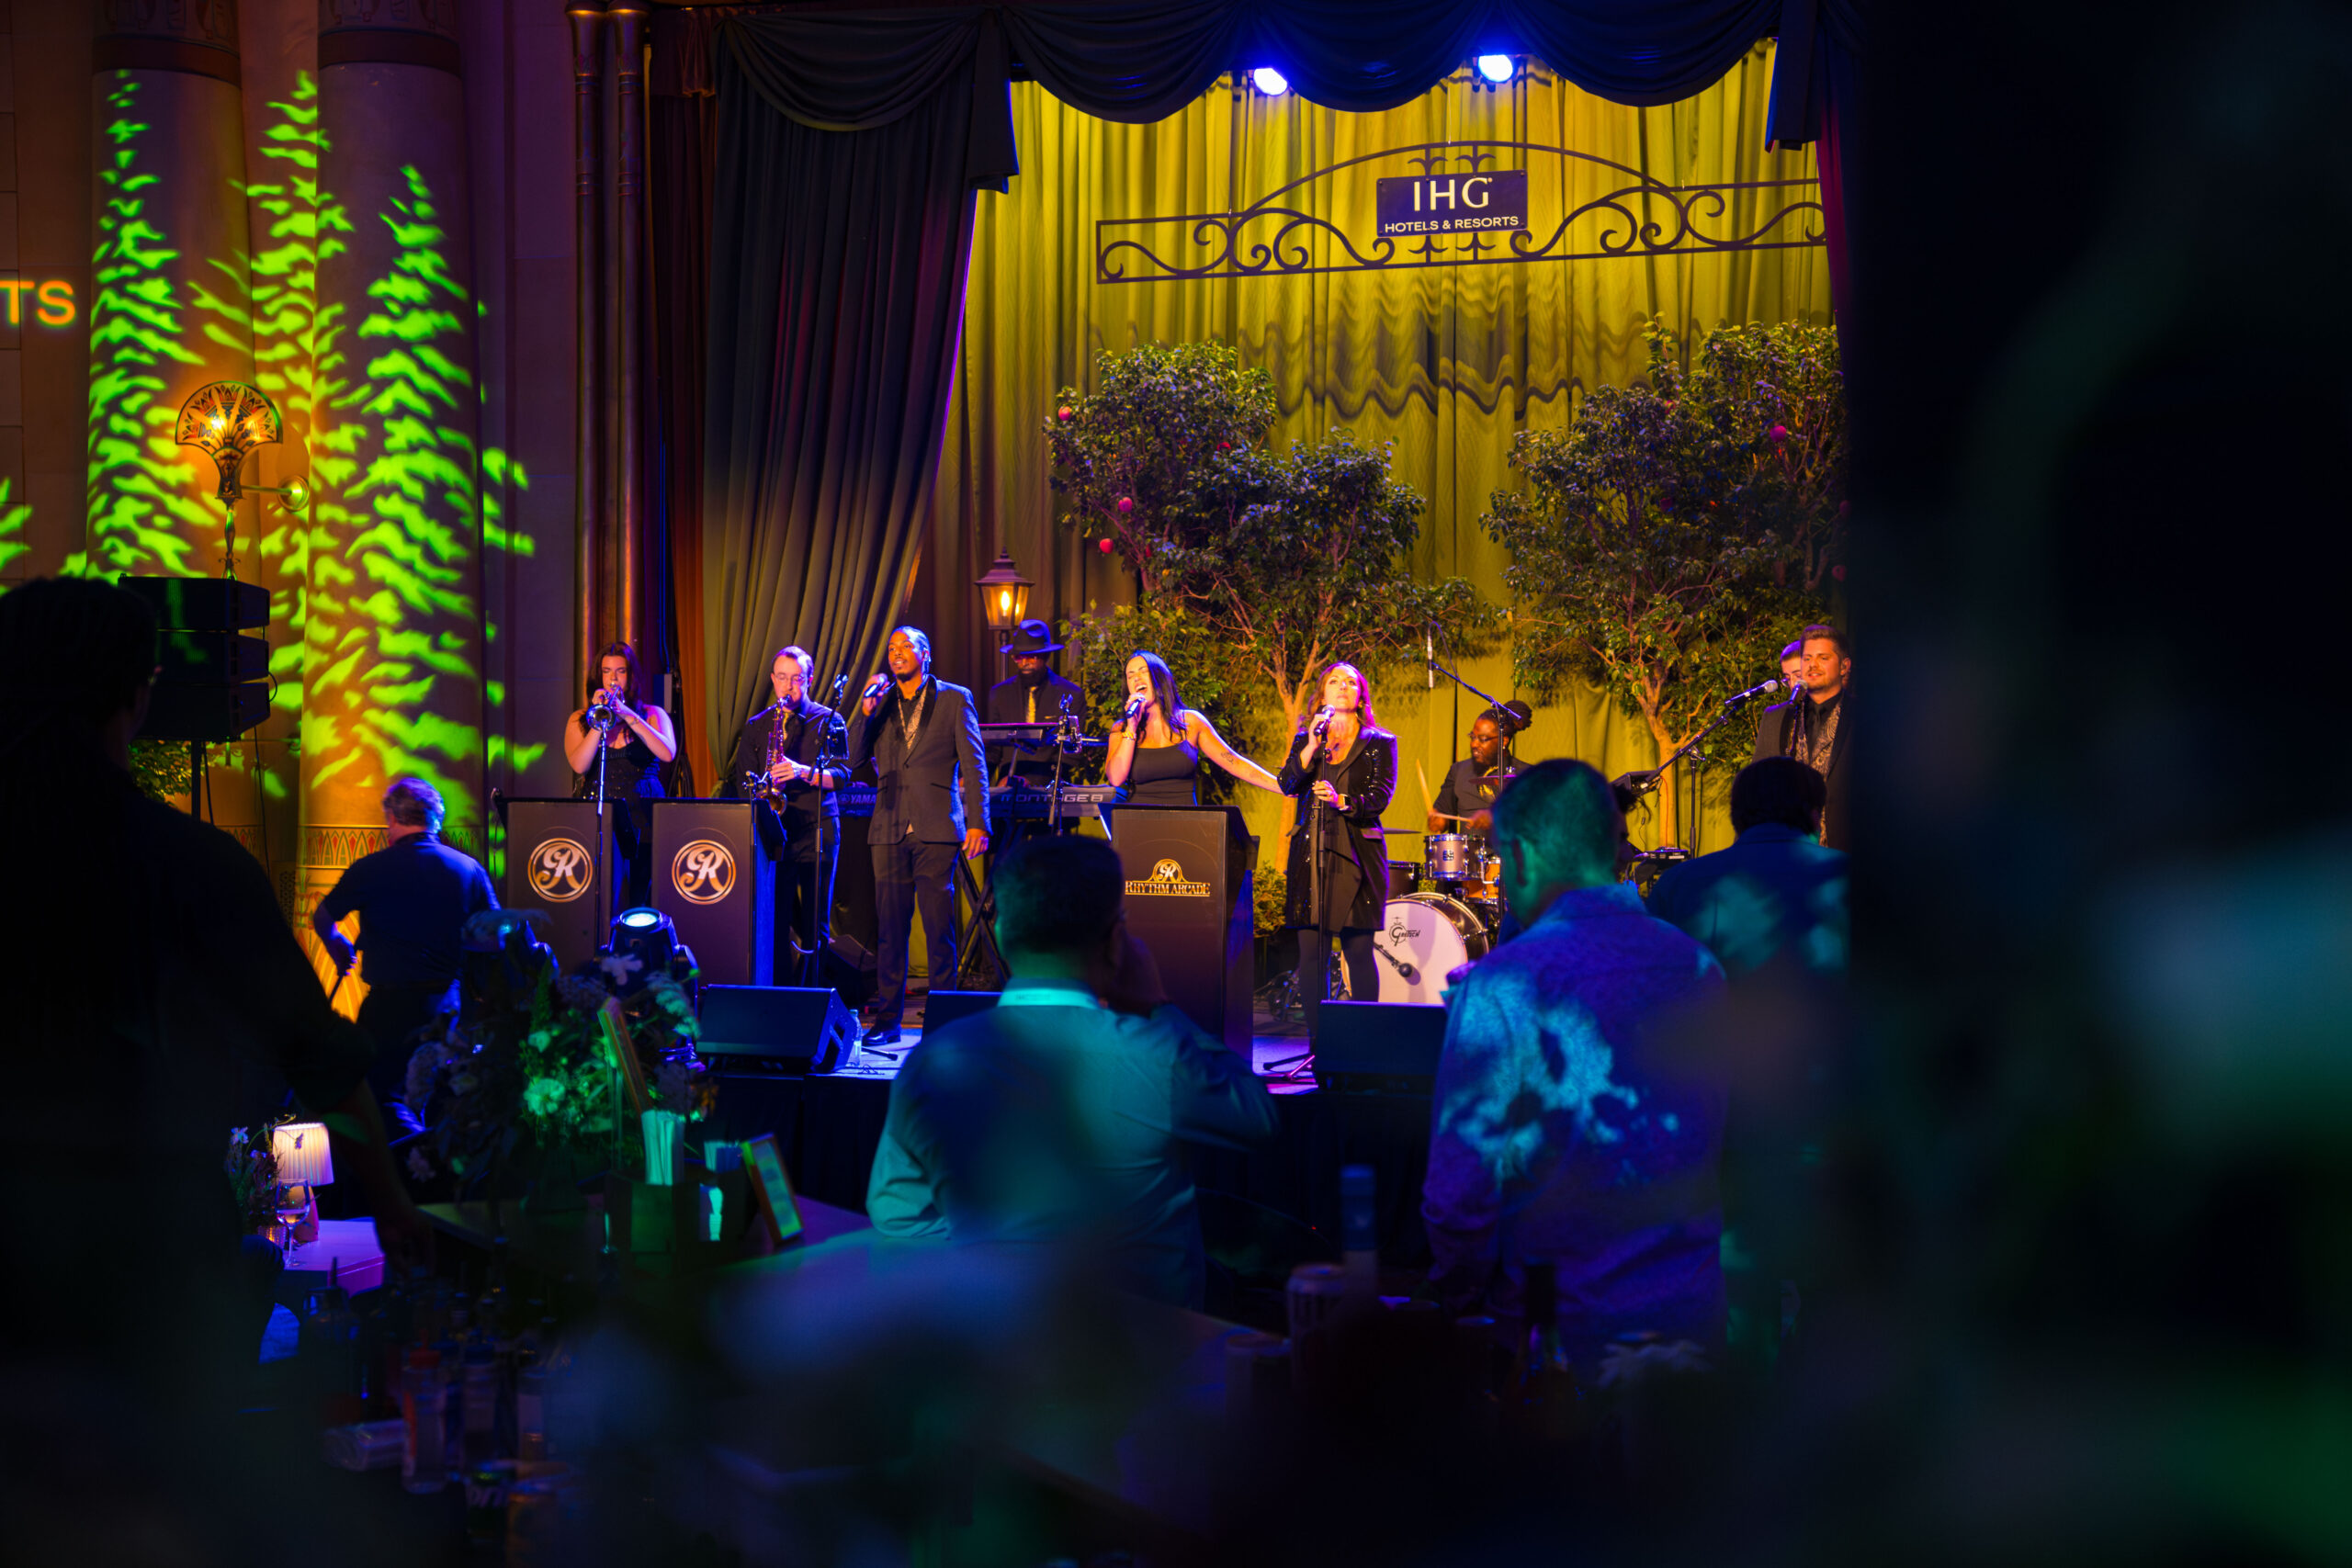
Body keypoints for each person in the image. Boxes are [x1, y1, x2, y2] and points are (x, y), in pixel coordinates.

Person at [0, 579, 429, 1438]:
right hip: (149, 1267)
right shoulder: (192, 864)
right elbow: (323, 1063)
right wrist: (394, 1213)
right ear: (138, 695)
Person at [865, 835, 1279, 1307]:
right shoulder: (1158, 1055)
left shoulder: (930, 1063)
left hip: (996, 1339)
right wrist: (1159, 1005)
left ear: (999, 931)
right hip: (1150, 1344)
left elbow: (898, 1216)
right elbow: (1258, 1117)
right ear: (1117, 942)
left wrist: (1005, 1244)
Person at [1420, 759, 1729, 1362]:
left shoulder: (1503, 986)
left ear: (1522, 855)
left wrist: (1454, 1298)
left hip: (1562, 1348)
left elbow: (1459, 1197)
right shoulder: (1700, 967)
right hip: (1690, 1328)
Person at [311, 776, 499, 1112]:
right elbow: (496, 939)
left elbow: (323, 917)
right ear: (436, 818)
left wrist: (337, 944)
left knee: (381, 1101)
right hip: (446, 1007)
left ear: (392, 818)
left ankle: (399, 1142)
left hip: (386, 1011)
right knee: (441, 1103)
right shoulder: (468, 869)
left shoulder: (370, 868)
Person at [850, 626, 989, 1046]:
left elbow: (975, 764)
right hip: (888, 826)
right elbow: (853, 757)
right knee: (890, 930)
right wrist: (865, 712)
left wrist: (979, 821)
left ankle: (942, 1023)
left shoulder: (954, 698)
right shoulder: (881, 703)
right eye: (891, 648)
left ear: (925, 654)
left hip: (937, 826)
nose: (896, 653)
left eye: (905, 646)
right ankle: (887, 1022)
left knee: (938, 928)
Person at [1645, 757, 1849, 982]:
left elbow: (1650, 977)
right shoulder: (1858, 876)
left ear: (1735, 814)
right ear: (1815, 816)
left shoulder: (1676, 883)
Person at [1278, 662, 1398, 1031]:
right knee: (1311, 954)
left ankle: (1362, 1042)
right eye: (1335, 681)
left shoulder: (1380, 742)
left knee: (1358, 951)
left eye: (1350, 682)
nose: (1343, 686)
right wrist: (1312, 745)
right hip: (1311, 853)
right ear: (1322, 694)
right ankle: (1319, 1043)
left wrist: (1341, 801)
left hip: (1358, 854)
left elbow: (1380, 796)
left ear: (1360, 696)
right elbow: (1287, 784)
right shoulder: (1307, 739)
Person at [729, 646, 851, 986]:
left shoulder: (829, 720)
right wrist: (763, 790)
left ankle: (813, 996)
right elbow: (742, 782)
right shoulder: (757, 725)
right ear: (772, 679)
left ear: (809, 680)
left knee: (815, 923)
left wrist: (802, 772)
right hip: (775, 833)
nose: (788, 686)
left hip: (817, 829)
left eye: (796, 679)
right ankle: (779, 993)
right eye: (782, 678)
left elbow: (843, 776)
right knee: (774, 920)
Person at [563, 641, 677, 909]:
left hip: (644, 819)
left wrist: (626, 714)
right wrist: (599, 721)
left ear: (631, 676)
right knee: (600, 900)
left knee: (640, 901)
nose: (613, 679)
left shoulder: (653, 714)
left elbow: (667, 753)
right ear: (598, 677)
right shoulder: (580, 719)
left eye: (620, 671)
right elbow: (579, 765)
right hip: (600, 817)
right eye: (606, 672)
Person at [1105, 649, 1280, 806]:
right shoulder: (1121, 729)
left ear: (1159, 678)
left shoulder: (1191, 722)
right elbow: (1115, 778)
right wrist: (1132, 727)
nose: (1137, 678)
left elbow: (1234, 762)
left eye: (1143, 671)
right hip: (1137, 821)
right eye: (1130, 676)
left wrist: (1282, 786)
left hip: (1185, 822)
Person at [1753, 624, 1850, 851]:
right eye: (1807, 659)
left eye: (1823, 658)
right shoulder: (1777, 717)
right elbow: (1758, 788)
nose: (1812, 665)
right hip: (1787, 852)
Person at [985, 618, 1087, 786]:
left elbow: (1070, 754)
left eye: (1031, 657)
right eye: (1019, 657)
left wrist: (1033, 780)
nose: (1025, 663)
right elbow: (993, 750)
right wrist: (972, 779)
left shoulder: (1071, 694)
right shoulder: (1000, 694)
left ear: (1045, 656)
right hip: (1007, 784)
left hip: (1051, 786)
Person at [1427, 705, 1521, 835]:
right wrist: (1438, 822)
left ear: (1503, 741)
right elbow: (1443, 812)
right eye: (1473, 737)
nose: (1474, 744)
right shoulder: (1458, 770)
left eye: (1482, 739)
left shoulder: (1527, 773)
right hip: (1466, 848)